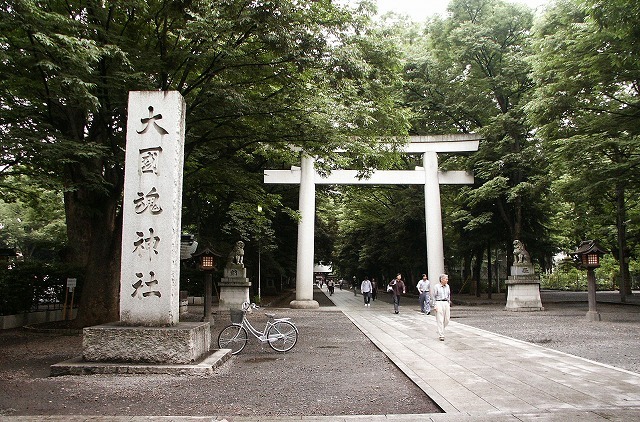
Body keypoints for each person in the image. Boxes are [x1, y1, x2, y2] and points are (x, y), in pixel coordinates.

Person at [432, 274, 451, 341]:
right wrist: (434, 305)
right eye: (446, 279)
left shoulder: (448, 286)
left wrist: (448, 303)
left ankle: (441, 329)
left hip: (446, 302)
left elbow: (449, 295)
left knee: (447, 319)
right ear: (442, 279)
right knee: (440, 319)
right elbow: (434, 296)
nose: (447, 280)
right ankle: (441, 335)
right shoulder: (436, 286)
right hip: (439, 302)